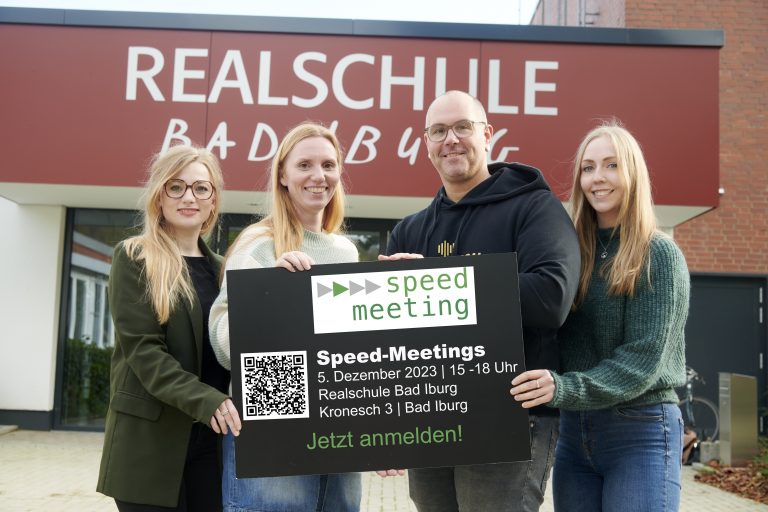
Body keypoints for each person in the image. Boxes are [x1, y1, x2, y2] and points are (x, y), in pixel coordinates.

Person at [378, 90, 581, 512]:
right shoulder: (408, 231)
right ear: (426, 143)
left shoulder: (535, 207)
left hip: (509, 415)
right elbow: (391, 340)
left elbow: (551, 298)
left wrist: (439, 283)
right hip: (431, 415)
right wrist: (387, 425)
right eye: (438, 131)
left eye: (462, 127)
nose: (450, 139)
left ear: (487, 134)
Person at [510, 123, 690, 511]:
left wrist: (562, 388)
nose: (598, 178)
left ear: (633, 174)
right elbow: (515, 294)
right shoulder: (571, 252)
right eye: (588, 168)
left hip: (641, 429)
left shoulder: (658, 255)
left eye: (611, 165)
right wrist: (428, 273)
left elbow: (641, 362)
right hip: (574, 432)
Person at [209, 122, 361, 512]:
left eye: (328, 165)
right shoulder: (258, 244)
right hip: (273, 429)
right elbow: (224, 344)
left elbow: (356, 352)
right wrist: (269, 296)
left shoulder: (346, 252)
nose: (318, 176)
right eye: (304, 165)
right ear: (282, 175)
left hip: (337, 432)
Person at [97, 145, 242, 511]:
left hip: (212, 444)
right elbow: (145, 352)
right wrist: (208, 401)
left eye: (201, 188)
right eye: (176, 187)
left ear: (213, 200)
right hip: (149, 445)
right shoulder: (134, 257)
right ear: (159, 196)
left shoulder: (226, 269)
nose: (189, 197)